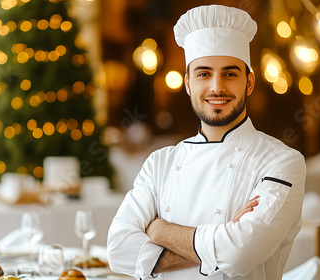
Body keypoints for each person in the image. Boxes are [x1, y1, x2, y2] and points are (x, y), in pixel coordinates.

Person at [106, 4, 306, 280]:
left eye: (229, 73)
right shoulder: (160, 163)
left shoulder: (281, 161)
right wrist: (221, 239)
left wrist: (160, 230)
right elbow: (118, 251)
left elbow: (240, 253)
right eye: (203, 74)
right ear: (188, 84)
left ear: (248, 82)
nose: (216, 87)